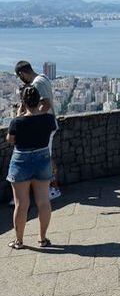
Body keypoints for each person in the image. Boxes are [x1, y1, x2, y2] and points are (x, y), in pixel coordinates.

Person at [6, 86, 58, 249]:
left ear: (23, 102)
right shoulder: (48, 119)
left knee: (21, 204)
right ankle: (42, 239)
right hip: (42, 158)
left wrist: (19, 114)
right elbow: (49, 122)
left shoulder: (17, 121)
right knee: (43, 201)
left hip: (21, 160)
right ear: (38, 100)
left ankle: (19, 241)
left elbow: (10, 139)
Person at [15, 61, 61, 200]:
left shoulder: (37, 83)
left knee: (45, 158)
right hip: (48, 124)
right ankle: (52, 187)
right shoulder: (43, 77)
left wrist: (32, 116)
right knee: (47, 156)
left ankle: (53, 188)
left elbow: (45, 105)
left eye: (19, 76)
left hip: (44, 126)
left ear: (22, 73)